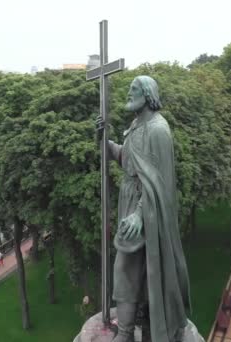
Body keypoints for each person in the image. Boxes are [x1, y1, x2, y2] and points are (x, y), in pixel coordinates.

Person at [97, 76, 191, 342]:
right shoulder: (137, 125)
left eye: (133, 90)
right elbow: (125, 159)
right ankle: (129, 331)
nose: (128, 94)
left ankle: (137, 331)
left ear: (147, 94)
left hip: (149, 214)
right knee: (130, 272)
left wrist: (140, 214)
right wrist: (104, 140)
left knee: (138, 271)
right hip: (131, 207)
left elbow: (160, 182)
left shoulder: (158, 130)